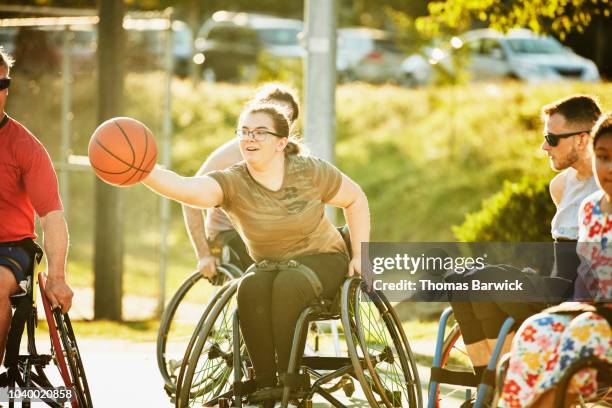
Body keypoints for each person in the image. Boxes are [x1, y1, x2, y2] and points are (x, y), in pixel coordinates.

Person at [141, 103, 369, 406]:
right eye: (244, 131)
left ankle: (291, 378)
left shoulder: (310, 170)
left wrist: (360, 254)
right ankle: (265, 383)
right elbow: (187, 189)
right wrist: (142, 171)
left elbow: (355, 199)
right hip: (270, 265)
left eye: (260, 132)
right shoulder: (234, 181)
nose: (250, 138)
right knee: (249, 287)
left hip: (323, 258)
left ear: (281, 142)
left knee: (289, 284)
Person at [449, 94, 602, 382]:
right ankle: (491, 386)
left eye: (552, 138)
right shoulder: (560, 186)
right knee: (460, 281)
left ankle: (507, 386)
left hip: (577, 299)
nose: (544, 146)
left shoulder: (605, 188)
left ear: (582, 140)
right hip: (554, 287)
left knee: (488, 279)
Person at [498, 113, 612, 408]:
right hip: (593, 313)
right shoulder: (590, 209)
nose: (608, 168)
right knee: (536, 329)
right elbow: (587, 275)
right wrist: (570, 309)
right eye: (603, 157)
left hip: (600, 323)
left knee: (583, 333)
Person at [0, 47, 73, 369]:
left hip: (11, 248)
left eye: (1, 85)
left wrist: (57, 277)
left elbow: (52, 217)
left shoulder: (24, 146)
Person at [182, 84, 299, 278]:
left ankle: (366, 303)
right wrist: (203, 254)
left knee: (351, 249)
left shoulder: (296, 158)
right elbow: (189, 198)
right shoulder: (232, 154)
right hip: (230, 236)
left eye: (283, 118)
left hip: (271, 234)